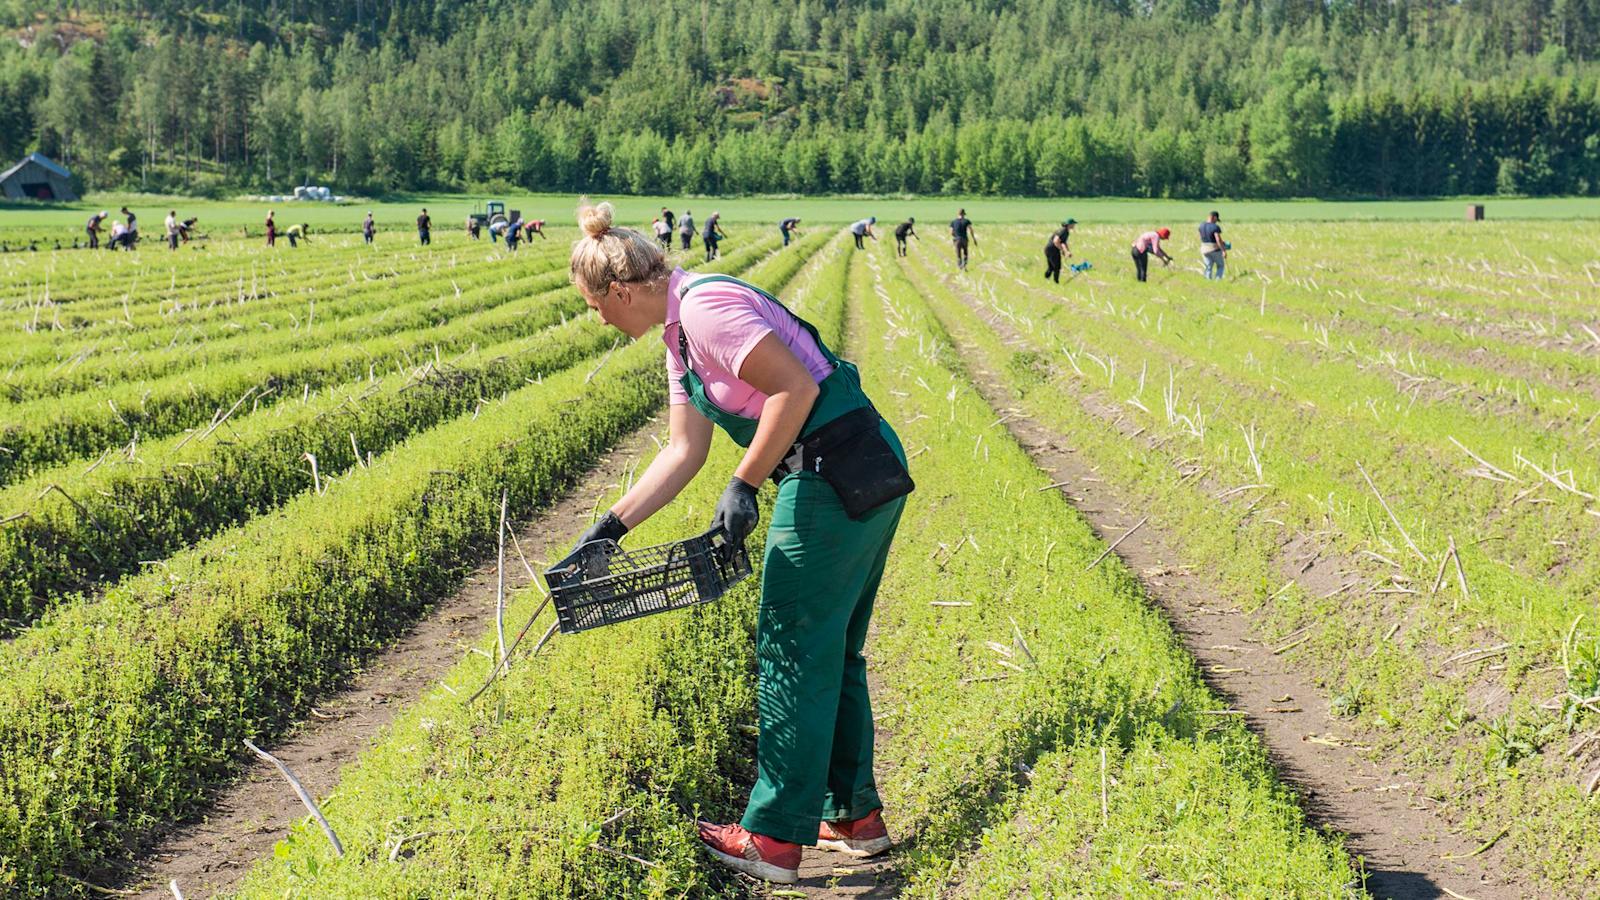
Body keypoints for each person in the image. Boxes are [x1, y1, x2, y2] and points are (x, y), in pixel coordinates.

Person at [566, 200, 913, 886]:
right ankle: (852, 816)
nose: (598, 320)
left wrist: (745, 483)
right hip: (859, 466)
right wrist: (609, 528)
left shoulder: (705, 311)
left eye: (597, 306)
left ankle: (772, 841)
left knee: (789, 648)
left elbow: (795, 388)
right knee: (832, 646)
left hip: (830, 472)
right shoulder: (680, 338)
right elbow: (682, 451)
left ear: (623, 291)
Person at [1199, 211, 1225, 280]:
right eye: (1216, 219)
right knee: (1220, 266)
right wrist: (1223, 250)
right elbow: (1218, 239)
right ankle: (1218, 281)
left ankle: (1208, 281)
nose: (1216, 221)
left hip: (1204, 249)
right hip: (1214, 249)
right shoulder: (1215, 227)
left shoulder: (1201, 225)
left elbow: (1203, 238)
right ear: (1214, 217)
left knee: (1208, 266)